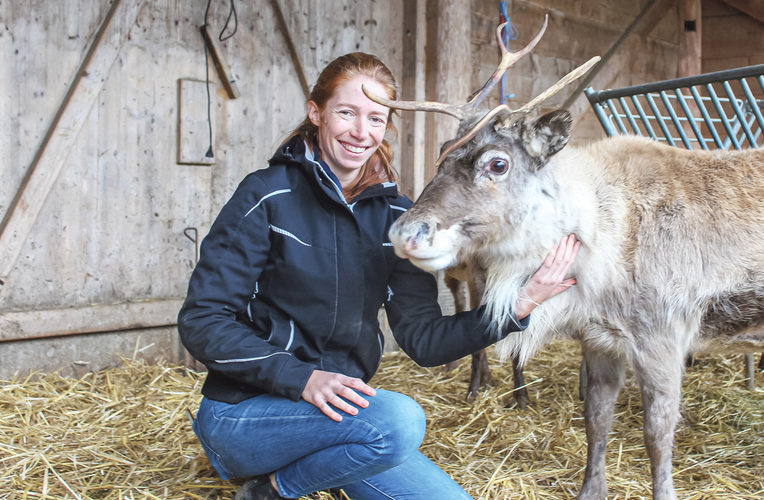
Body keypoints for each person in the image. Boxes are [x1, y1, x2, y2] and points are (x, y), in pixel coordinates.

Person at [178, 52, 581, 500]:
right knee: (400, 421)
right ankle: (275, 488)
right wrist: (302, 379)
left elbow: (425, 341)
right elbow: (203, 321)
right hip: (246, 416)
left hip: (338, 423)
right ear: (316, 113)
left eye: (375, 117)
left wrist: (519, 306)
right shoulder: (266, 195)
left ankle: (284, 484)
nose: (360, 132)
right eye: (346, 112)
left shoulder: (396, 217)